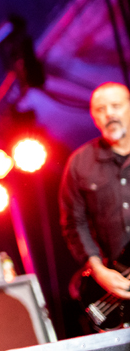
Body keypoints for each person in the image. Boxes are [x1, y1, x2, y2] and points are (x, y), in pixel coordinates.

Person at [60, 82, 130, 302]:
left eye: (116, 106)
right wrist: (99, 271)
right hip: (118, 280)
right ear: (93, 117)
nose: (109, 114)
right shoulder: (79, 163)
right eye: (100, 109)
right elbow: (74, 223)